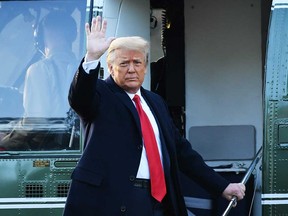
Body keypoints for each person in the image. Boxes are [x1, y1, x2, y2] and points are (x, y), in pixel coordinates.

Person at [63, 16, 245, 216]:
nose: (132, 69)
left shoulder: (155, 102)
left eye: (137, 62)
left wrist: (222, 187)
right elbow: (79, 98)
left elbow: (182, 153)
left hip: (160, 202)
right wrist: (91, 57)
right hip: (114, 201)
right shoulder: (101, 94)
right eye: (124, 63)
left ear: (145, 67)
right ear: (111, 67)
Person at [0, 11, 78, 151]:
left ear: (42, 35)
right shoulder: (80, 68)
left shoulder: (40, 69)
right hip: (65, 144)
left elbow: (36, 122)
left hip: (41, 148)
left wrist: (6, 141)